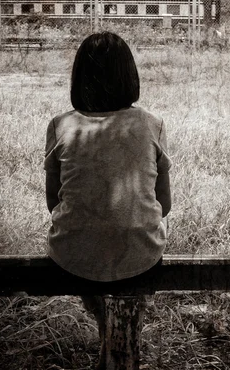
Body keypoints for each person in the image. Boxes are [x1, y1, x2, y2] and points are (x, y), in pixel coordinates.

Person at [43, 31, 172, 367]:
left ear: (78, 79)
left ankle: (110, 344)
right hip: (138, 254)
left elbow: (53, 202)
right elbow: (165, 205)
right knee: (125, 296)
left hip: (74, 253)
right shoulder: (150, 124)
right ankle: (118, 348)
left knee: (101, 288)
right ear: (130, 77)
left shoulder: (60, 125)